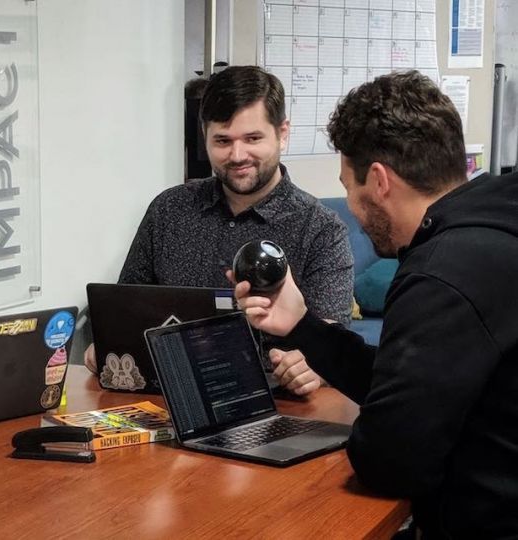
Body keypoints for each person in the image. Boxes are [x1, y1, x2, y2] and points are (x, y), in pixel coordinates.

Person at [235, 70, 518, 537]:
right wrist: (303, 326)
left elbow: (391, 462)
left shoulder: (443, 275)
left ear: (380, 181)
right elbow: (411, 381)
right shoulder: (493, 228)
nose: (352, 206)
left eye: (349, 185)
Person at [86, 66, 354, 397]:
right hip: (167, 395)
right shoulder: (168, 210)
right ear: (205, 137)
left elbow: (333, 337)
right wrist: (108, 344)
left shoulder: (321, 229)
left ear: (282, 133)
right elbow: (124, 306)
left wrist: (311, 365)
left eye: (253, 138)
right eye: (223, 141)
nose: (238, 155)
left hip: (274, 402)